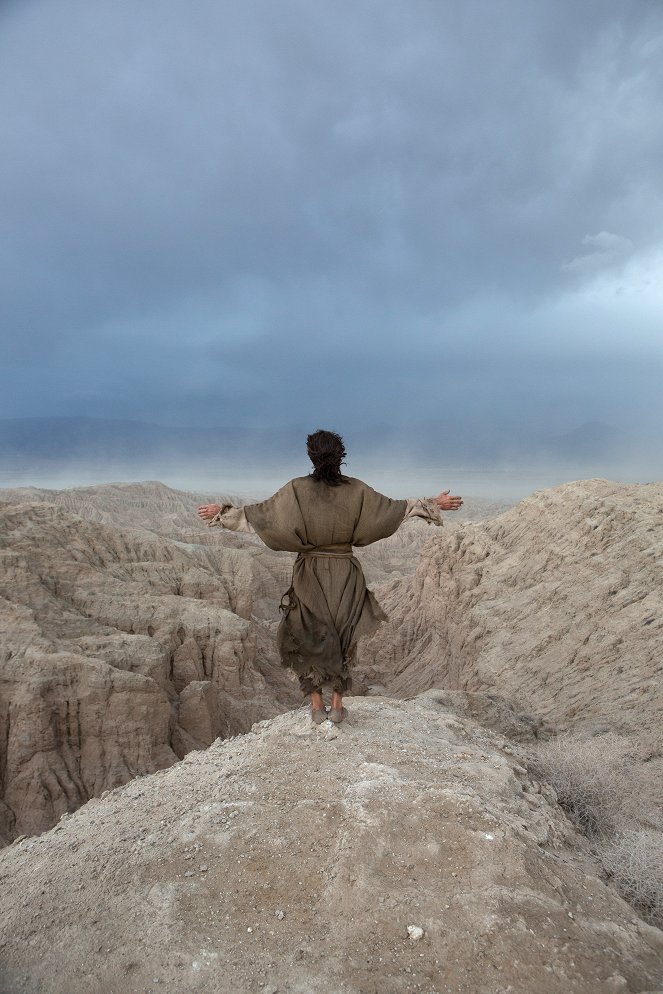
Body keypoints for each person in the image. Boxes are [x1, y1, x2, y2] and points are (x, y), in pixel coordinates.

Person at [197, 430, 463, 724]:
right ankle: (337, 706)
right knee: (343, 633)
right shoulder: (357, 491)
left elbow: (259, 517)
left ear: (311, 456)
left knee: (308, 633)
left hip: (310, 574)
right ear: (341, 457)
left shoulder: (296, 491)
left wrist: (221, 513)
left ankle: (316, 707)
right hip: (345, 572)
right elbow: (396, 510)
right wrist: (434, 503)